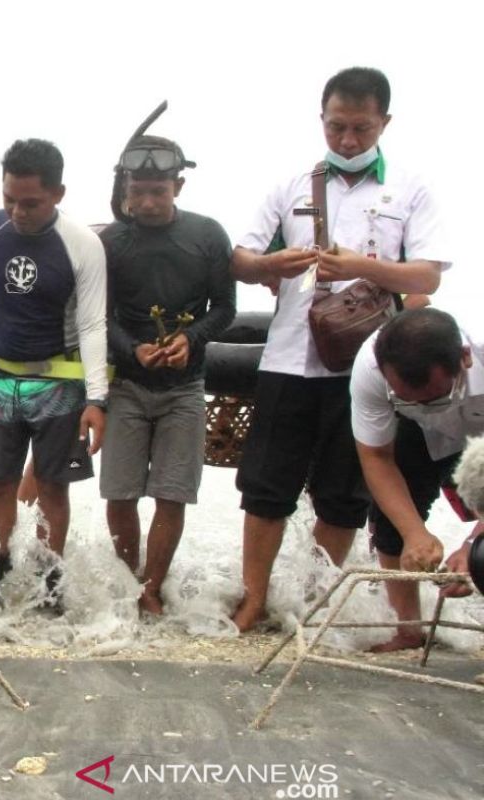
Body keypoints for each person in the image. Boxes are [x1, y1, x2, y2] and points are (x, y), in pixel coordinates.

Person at [229, 66, 448, 632]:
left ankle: (309, 600)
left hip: (370, 367)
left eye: (361, 128)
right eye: (337, 127)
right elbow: (241, 257)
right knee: (265, 488)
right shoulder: (290, 183)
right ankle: (255, 600)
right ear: (321, 119)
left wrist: (360, 267)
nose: (348, 140)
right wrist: (269, 266)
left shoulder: (410, 186)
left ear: (385, 123)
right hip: (287, 358)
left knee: (343, 495)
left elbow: (427, 274)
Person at [0, 138, 108, 609]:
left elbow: (92, 323)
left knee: (50, 484)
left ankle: (49, 584)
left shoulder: (82, 244)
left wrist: (96, 400)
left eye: (31, 203)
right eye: (9, 200)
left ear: (57, 194)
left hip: (60, 382)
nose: (17, 212)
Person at [101, 135, 236, 615]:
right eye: (138, 190)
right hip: (127, 386)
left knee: (171, 494)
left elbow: (224, 309)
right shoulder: (112, 241)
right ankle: (125, 581)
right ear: (125, 187)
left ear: (178, 185)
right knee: (119, 492)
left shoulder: (207, 236)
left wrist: (190, 340)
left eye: (159, 191)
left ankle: (151, 588)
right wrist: (133, 350)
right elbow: (100, 314)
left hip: (186, 387)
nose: (148, 202)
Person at [351, 309, 484, 648]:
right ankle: (408, 629)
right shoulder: (370, 367)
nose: (425, 404)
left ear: (465, 358)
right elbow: (376, 457)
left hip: (478, 421)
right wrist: (414, 534)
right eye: (407, 396)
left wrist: (472, 546)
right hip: (417, 431)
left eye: (432, 396)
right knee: (393, 520)